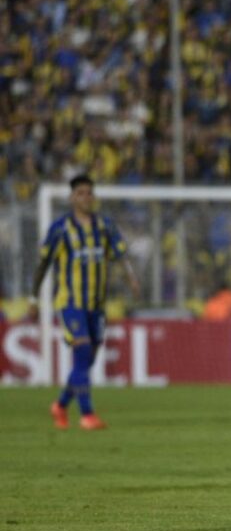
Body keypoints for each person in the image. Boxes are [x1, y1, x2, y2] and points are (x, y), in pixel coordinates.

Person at [29, 175, 141, 430]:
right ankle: (87, 415)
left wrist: (132, 279)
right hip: (70, 303)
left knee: (86, 361)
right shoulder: (60, 229)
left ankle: (60, 405)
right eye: (81, 193)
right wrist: (34, 298)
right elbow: (43, 265)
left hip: (97, 305)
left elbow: (121, 255)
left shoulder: (105, 226)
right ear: (71, 198)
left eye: (89, 193)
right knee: (81, 353)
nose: (86, 197)